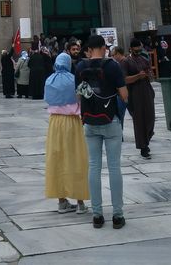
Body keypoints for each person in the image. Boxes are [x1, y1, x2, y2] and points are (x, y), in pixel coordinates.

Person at [75, 34, 127, 230]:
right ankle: (117, 215)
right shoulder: (112, 65)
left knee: (94, 167)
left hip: (89, 122)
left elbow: (78, 96)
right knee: (114, 167)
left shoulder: (80, 67)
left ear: (88, 49)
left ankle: (97, 215)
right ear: (104, 47)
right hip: (110, 120)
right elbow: (124, 94)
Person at [44, 52, 89, 214]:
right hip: (72, 122)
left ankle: (61, 201)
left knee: (57, 159)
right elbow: (87, 96)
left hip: (55, 123)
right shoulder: (75, 79)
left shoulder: (49, 80)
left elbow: (47, 99)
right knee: (76, 158)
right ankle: (80, 203)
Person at [121, 38, 155, 159]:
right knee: (140, 121)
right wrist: (138, 76)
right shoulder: (126, 61)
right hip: (135, 94)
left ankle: (147, 138)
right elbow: (124, 79)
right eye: (137, 49)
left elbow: (150, 75)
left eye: (140, 49)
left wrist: (149, 74)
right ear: (131, 49)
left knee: (151, 118)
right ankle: (143, 147)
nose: (139, 51)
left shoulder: (143, 59)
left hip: (147, 91)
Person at [111, 47, 128, 130]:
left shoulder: (122, 63)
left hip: (123, 94)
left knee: (120, 115)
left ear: (118, 54)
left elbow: (124, 79)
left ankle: (120, 135)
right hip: (126, 93)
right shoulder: (122, 62)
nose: (113, 57)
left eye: (113, 55)